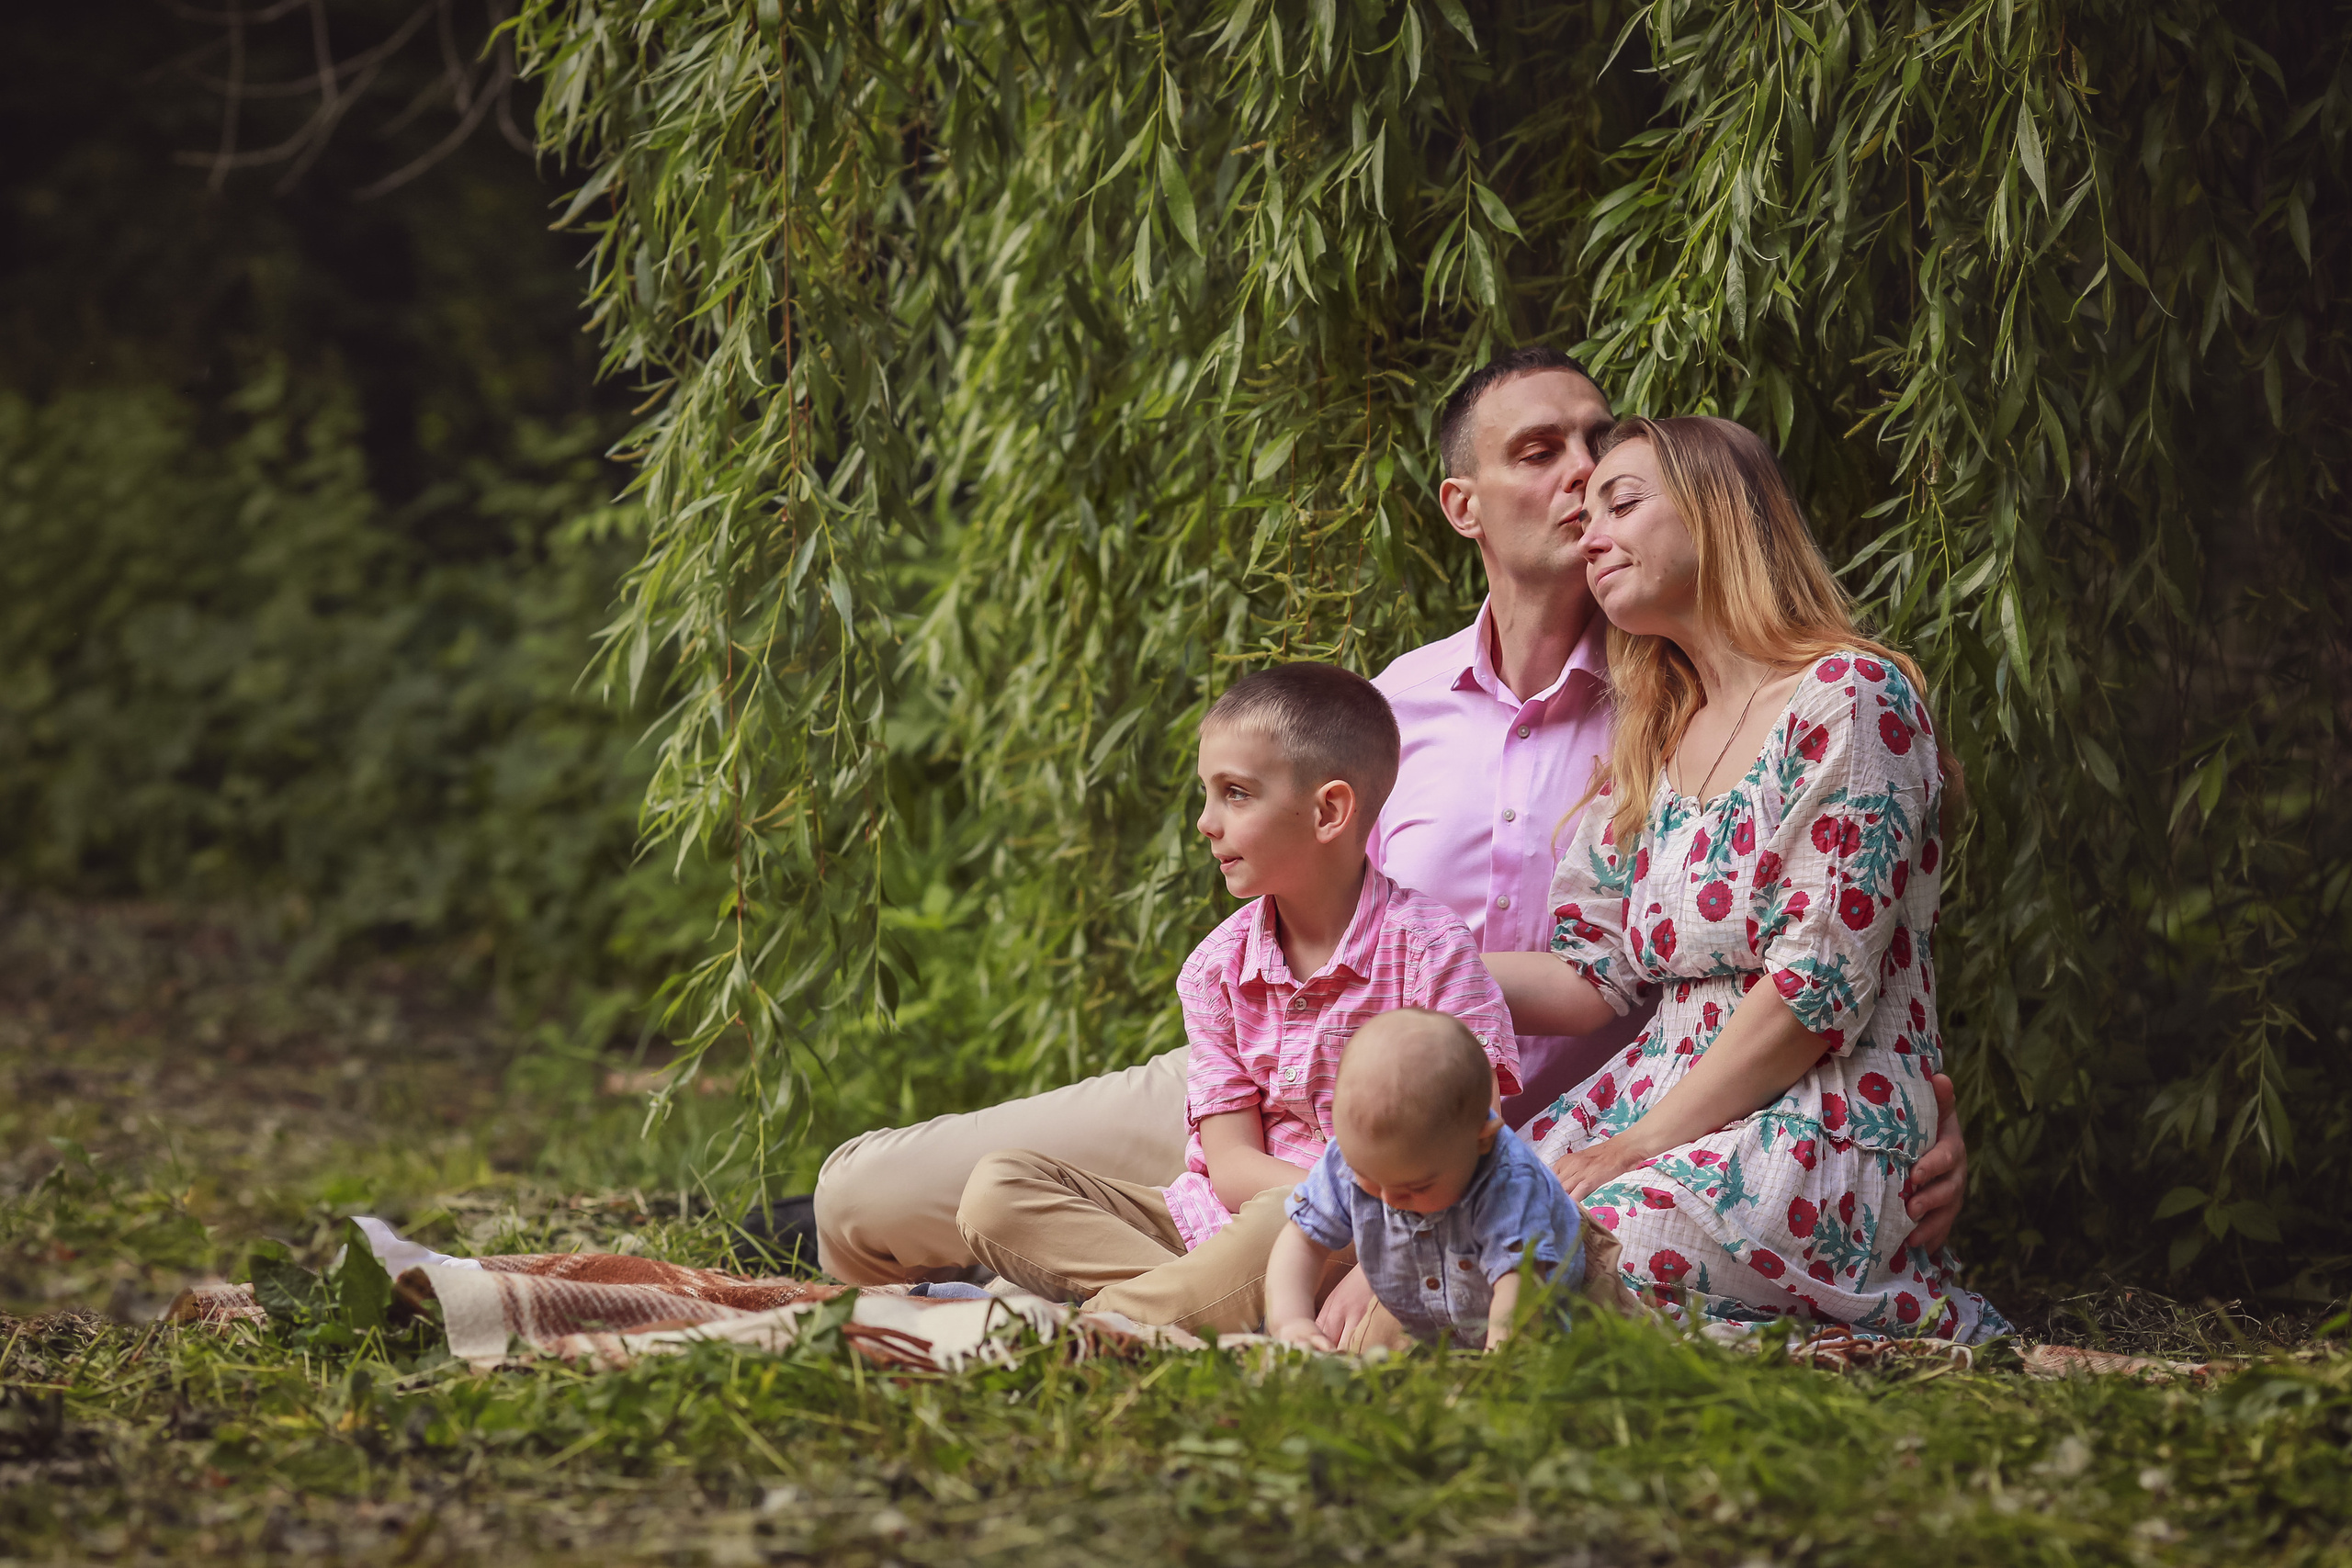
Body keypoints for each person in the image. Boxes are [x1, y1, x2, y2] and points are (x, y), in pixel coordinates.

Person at [805, 352, 1973, 1312]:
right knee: (861, 1202)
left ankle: (1155, 1312)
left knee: (1431, 1260)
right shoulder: (1392, 704)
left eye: (1605, 458)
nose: (1581, 481)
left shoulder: (1668, 704)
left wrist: (1915, 1096)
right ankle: (1216, 1296)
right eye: (1540, 453)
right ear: (1462, 506)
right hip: (1275, 1068)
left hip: (1465, 1118)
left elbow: (1804, 951)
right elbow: (1280, 879)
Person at [1485, 415, 2009, 1339]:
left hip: (1817, 1107)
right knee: (1464, 1238)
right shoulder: (1653, 735)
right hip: (1657, 1092)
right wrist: (1412, 963)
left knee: (1586, 1257)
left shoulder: (1849, 698)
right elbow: (1591, 969)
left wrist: (1639, 1146)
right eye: (1586, 516)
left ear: (1717, 511)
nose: (1590, 535)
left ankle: (1882, 1321)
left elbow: (1815, 991)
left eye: (1623, 503)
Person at [953, 664, 1516, 1332]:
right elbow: (1229, 1165)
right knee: (997, 1189)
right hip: (1216, 1221)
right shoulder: (1215, 968)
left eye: (1236, 794)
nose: (1204, 822)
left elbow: (1474, 1144)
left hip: (1372, 1223)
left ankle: (1081, 1329)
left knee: (1286, 1216)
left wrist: (1369, 1254)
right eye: (1207, 793)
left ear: (1328, 810)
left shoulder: (1432, 950)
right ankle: (1210, 1312)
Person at [1266, 1009, 1582, 1350]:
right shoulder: (1355, 1155)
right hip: (1439, 1316)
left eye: (1416, 1188)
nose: (1388, 1198)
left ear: (1482, 1140)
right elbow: (1302, 1239)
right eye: (1367, 1179)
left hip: (1548, 1317)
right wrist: (1291, 1320)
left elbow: (1517, 1294)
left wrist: (1500, 1372)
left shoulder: (1510, 1183)